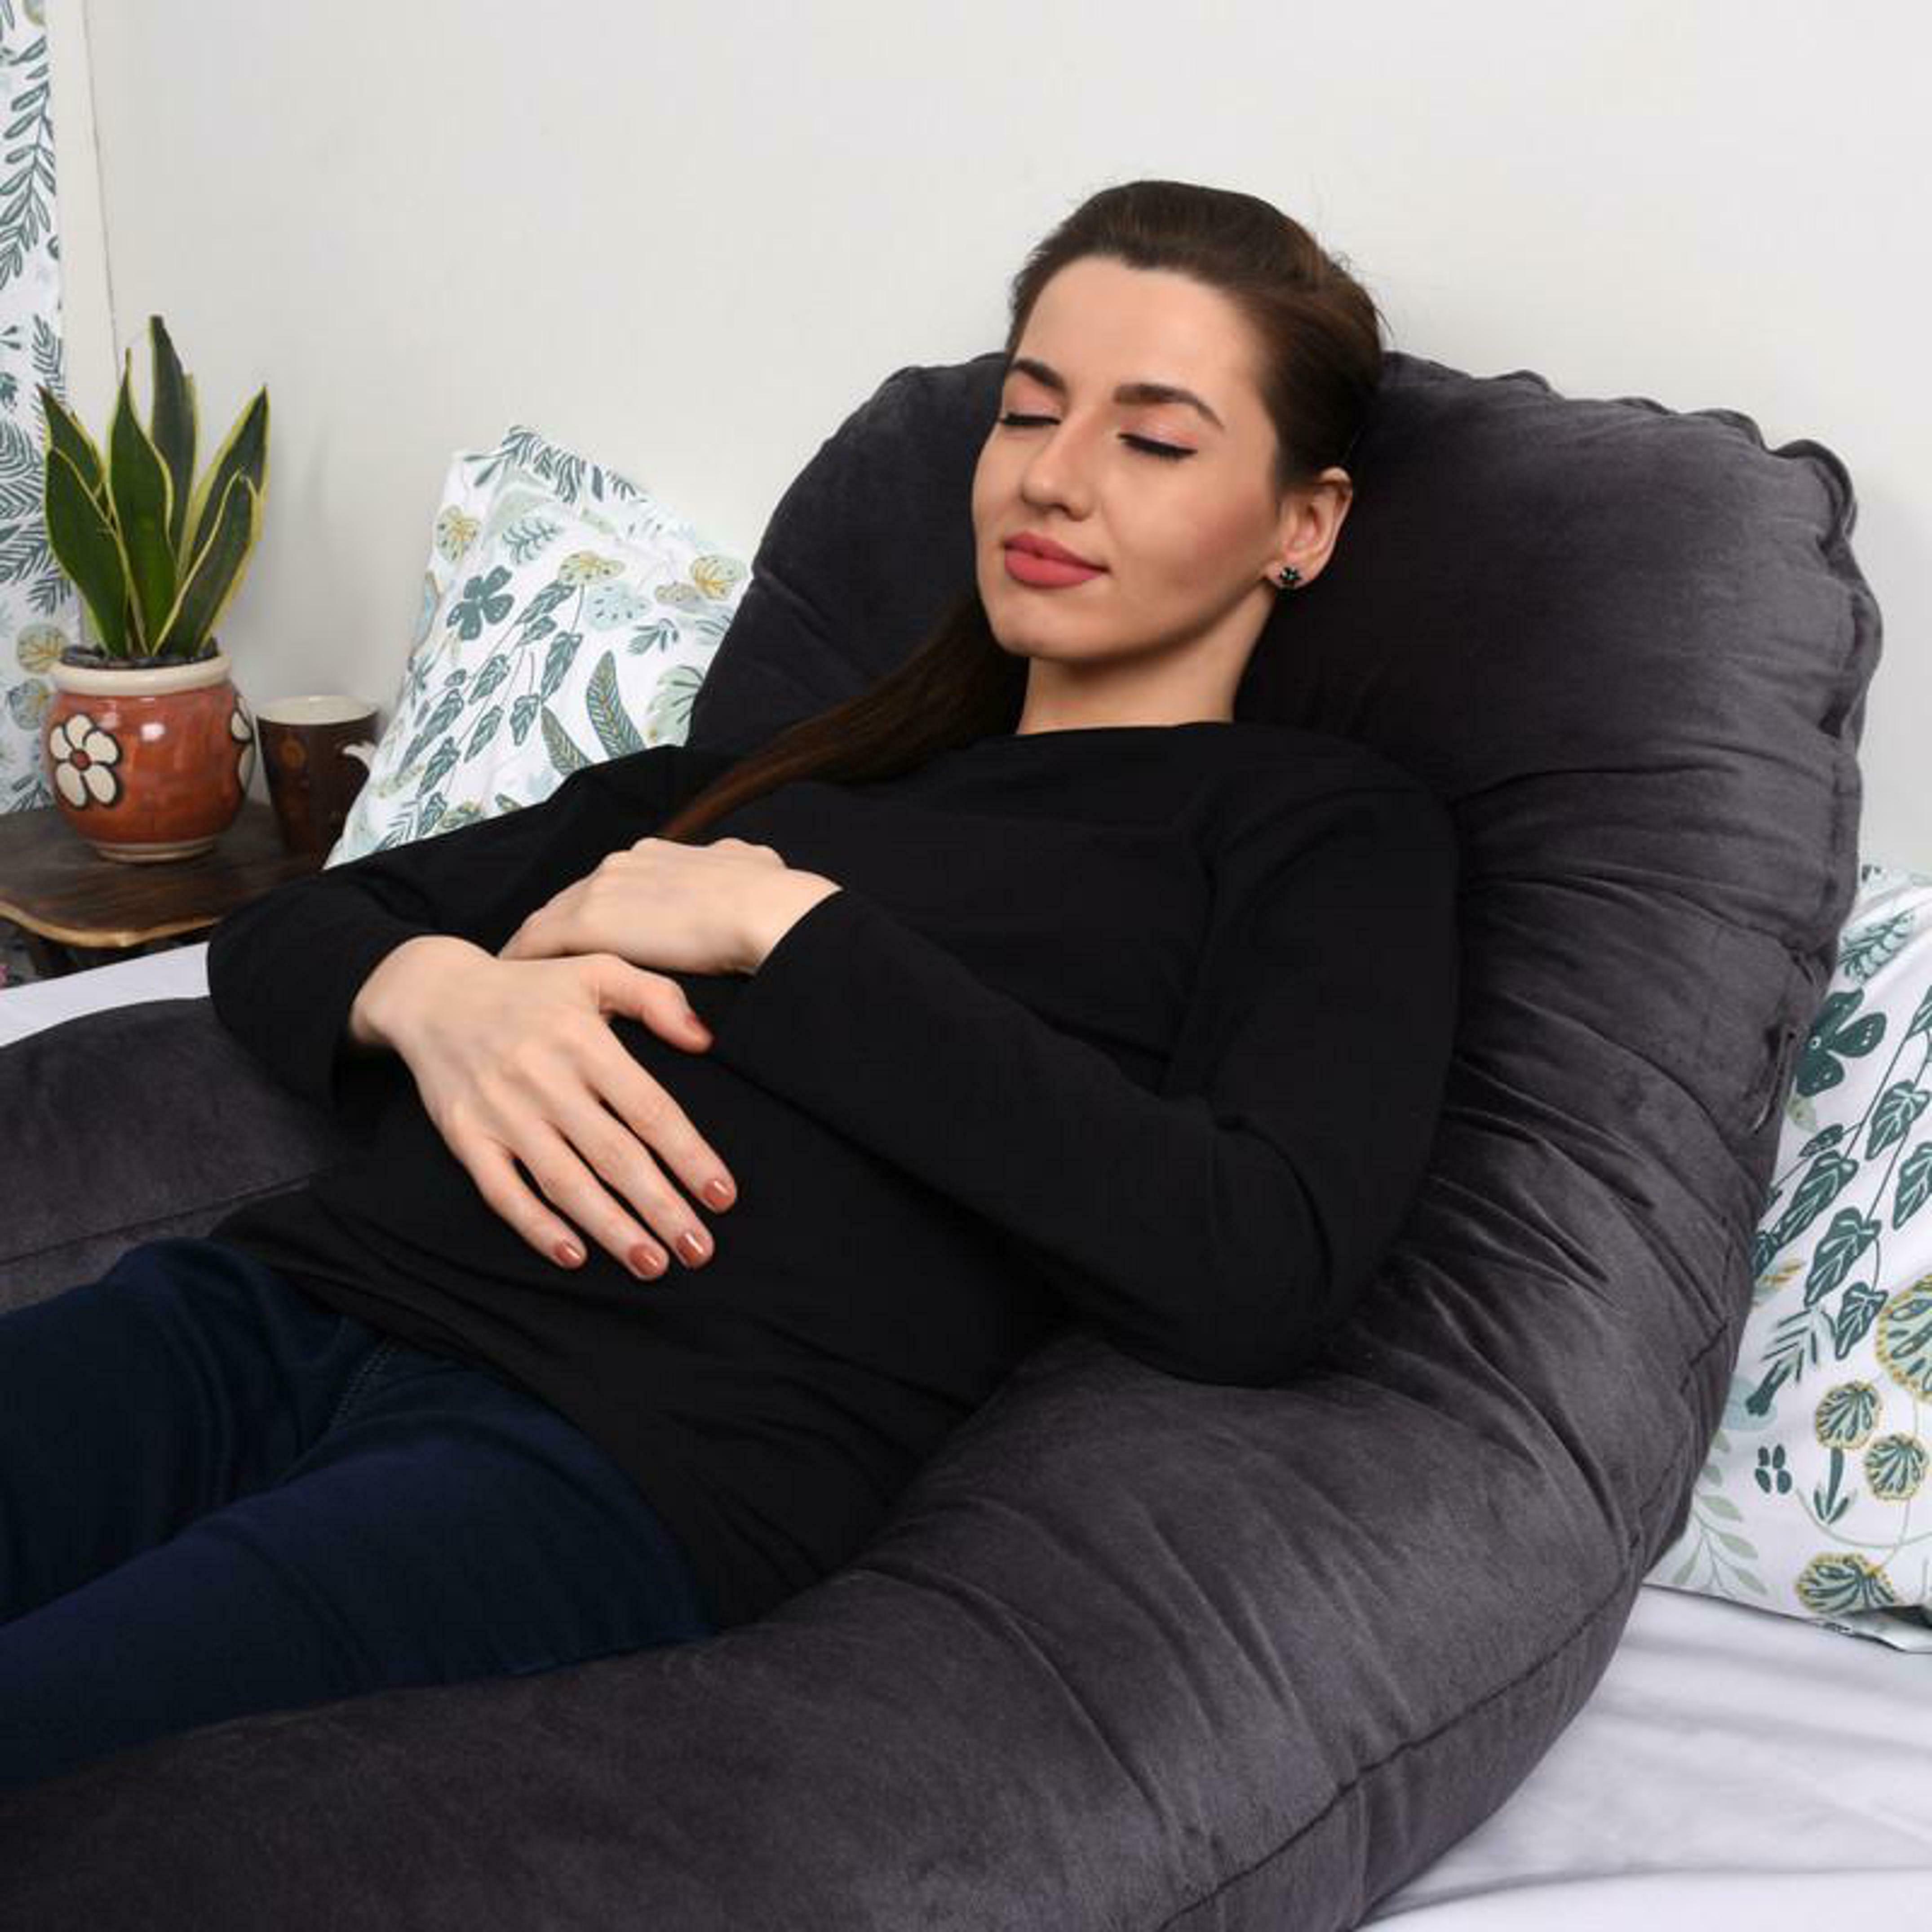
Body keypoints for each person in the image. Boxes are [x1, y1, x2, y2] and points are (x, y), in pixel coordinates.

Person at [0, 178, 1459, 1792]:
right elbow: (299, 928)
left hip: (611, 1452)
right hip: (280, 1309)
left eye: (1155, 440)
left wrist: (795, 934)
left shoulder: (1316, 829)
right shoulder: (790, 772)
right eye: (1027, 411)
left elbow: (1258, 1260)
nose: (1051, 477)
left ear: (1303, 522)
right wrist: (439, 997)